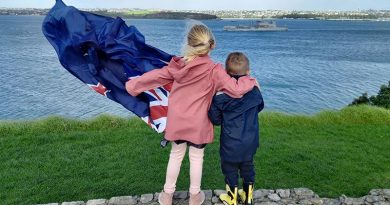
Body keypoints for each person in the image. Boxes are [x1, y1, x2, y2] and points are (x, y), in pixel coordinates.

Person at [125, 24, 258, 205]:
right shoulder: (215, 70)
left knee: (175, 156)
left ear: (189, 44)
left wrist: (132, 86)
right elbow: (235, 90)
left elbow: (154, 76)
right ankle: (195, 196)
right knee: (196, 158)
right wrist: (251, 80)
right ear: (211, 45)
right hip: (199, 122)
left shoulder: (177, 65)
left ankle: (167, 195)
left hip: (178, 120)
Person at [208, 52, 264, 205]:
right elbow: (260, 107)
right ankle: (248, 197)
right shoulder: (255, 90)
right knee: (248, 166)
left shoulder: (220, 95)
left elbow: (215, 119)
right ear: (248, 72)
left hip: (230, 142)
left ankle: (232, 198)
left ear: (226, 73)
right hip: (250, 140)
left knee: (230, 169)